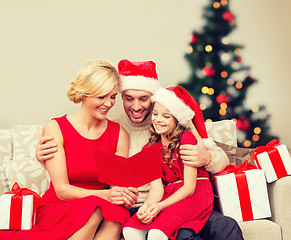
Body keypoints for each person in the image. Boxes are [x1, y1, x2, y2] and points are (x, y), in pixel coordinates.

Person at [36, 59, 244, 240]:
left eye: (144, 99)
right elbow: (101, 177)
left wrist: (207, 158)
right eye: (128, 98)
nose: (136, 106)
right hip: (142, 206)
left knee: (226, 227)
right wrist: (47, 160)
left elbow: (220, 161)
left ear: (155, 99)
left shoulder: (177, 124)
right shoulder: (117, 130)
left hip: (182, 201)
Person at [1, 60, 133, 240]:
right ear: (84, 94)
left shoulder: (119, 134)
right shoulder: (56, 128)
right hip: (63, 206)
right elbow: (62, 190)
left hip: (103, 206)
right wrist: (107, 195)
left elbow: (117, 187)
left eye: (112, 96)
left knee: (116, 213)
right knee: (95, 207)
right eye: (101, 97)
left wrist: (122, 195)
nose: (109, 103)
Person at [123, 86, 214, 240]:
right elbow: (157, 189)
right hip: (169, 195)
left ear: (177, 120)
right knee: (130, 230)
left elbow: (189, 188)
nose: (158, 120)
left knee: (157, 233)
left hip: (195, 194)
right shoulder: (148, 148)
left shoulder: (187, 139)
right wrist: (147, 207)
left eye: (166, 116)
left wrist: (159, 207)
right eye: (156, 114)